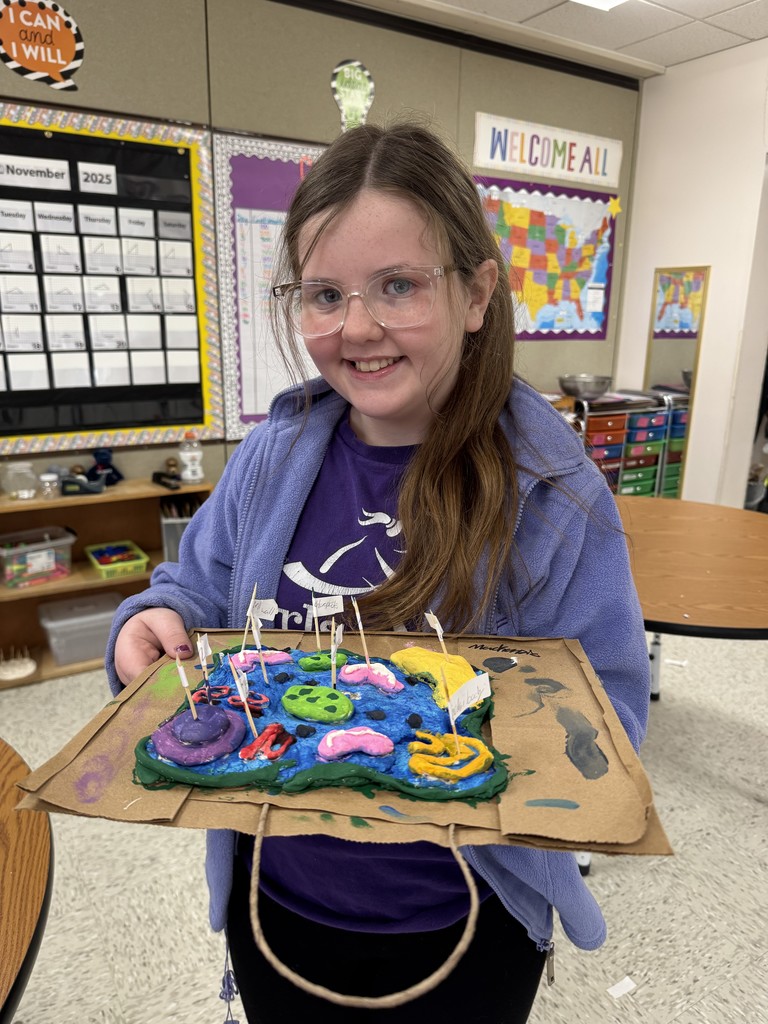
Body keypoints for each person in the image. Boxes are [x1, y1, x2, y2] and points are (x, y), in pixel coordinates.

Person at [107, 120, 650, 1023]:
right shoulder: (270, 458)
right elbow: (191, 590)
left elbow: (613, 716)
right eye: (325, 294)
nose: (357, 327)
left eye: (397, 285)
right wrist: (147, 621)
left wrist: (465, 732)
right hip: (275, 903)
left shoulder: (556, 494)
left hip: (465, 928)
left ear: (478, 294)